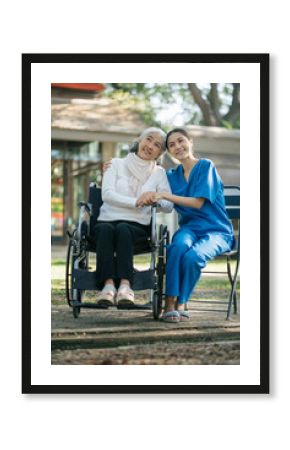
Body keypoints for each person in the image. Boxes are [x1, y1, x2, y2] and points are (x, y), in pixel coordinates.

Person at [152, 127, 235, 322]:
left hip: (217, 232)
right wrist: (113, 167)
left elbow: (198, 203)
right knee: (176, 247)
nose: (177, 147)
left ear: (190, 142)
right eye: (172, 145)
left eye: (181, 141)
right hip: (189, 229)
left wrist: (165, 194)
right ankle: (169, 302)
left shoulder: (206, 166)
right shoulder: (171, 176)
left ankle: (181, 301)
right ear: (169, 152)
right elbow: (148, 179)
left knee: (193, 257)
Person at [95, 127, 173, 306]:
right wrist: (137, 202)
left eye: (157, 145)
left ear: (160, 152)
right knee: (105, 229)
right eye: (148, 139)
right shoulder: (115, 164)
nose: (150, 146)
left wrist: (157, 197)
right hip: (107, 219)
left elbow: (169, 206)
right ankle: (107, 286)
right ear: (139, 139)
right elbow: (107, 194)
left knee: (124, 229)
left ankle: (125, 286)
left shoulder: (159, 173)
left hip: (137, 225)